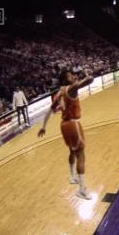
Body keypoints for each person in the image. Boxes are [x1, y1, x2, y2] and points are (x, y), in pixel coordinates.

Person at [38, 70, 94, 200]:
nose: (73, 76)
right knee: (81, 155)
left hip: (63, 125)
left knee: (72, 152)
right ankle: (82, 190)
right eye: (70, 76)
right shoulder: (71, 89)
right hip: (73, 124)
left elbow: (49, 111)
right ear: (65, 79)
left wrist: (43, 127)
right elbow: (90, 80)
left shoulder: (59, 93)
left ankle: (72, 176)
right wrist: (86, 75)